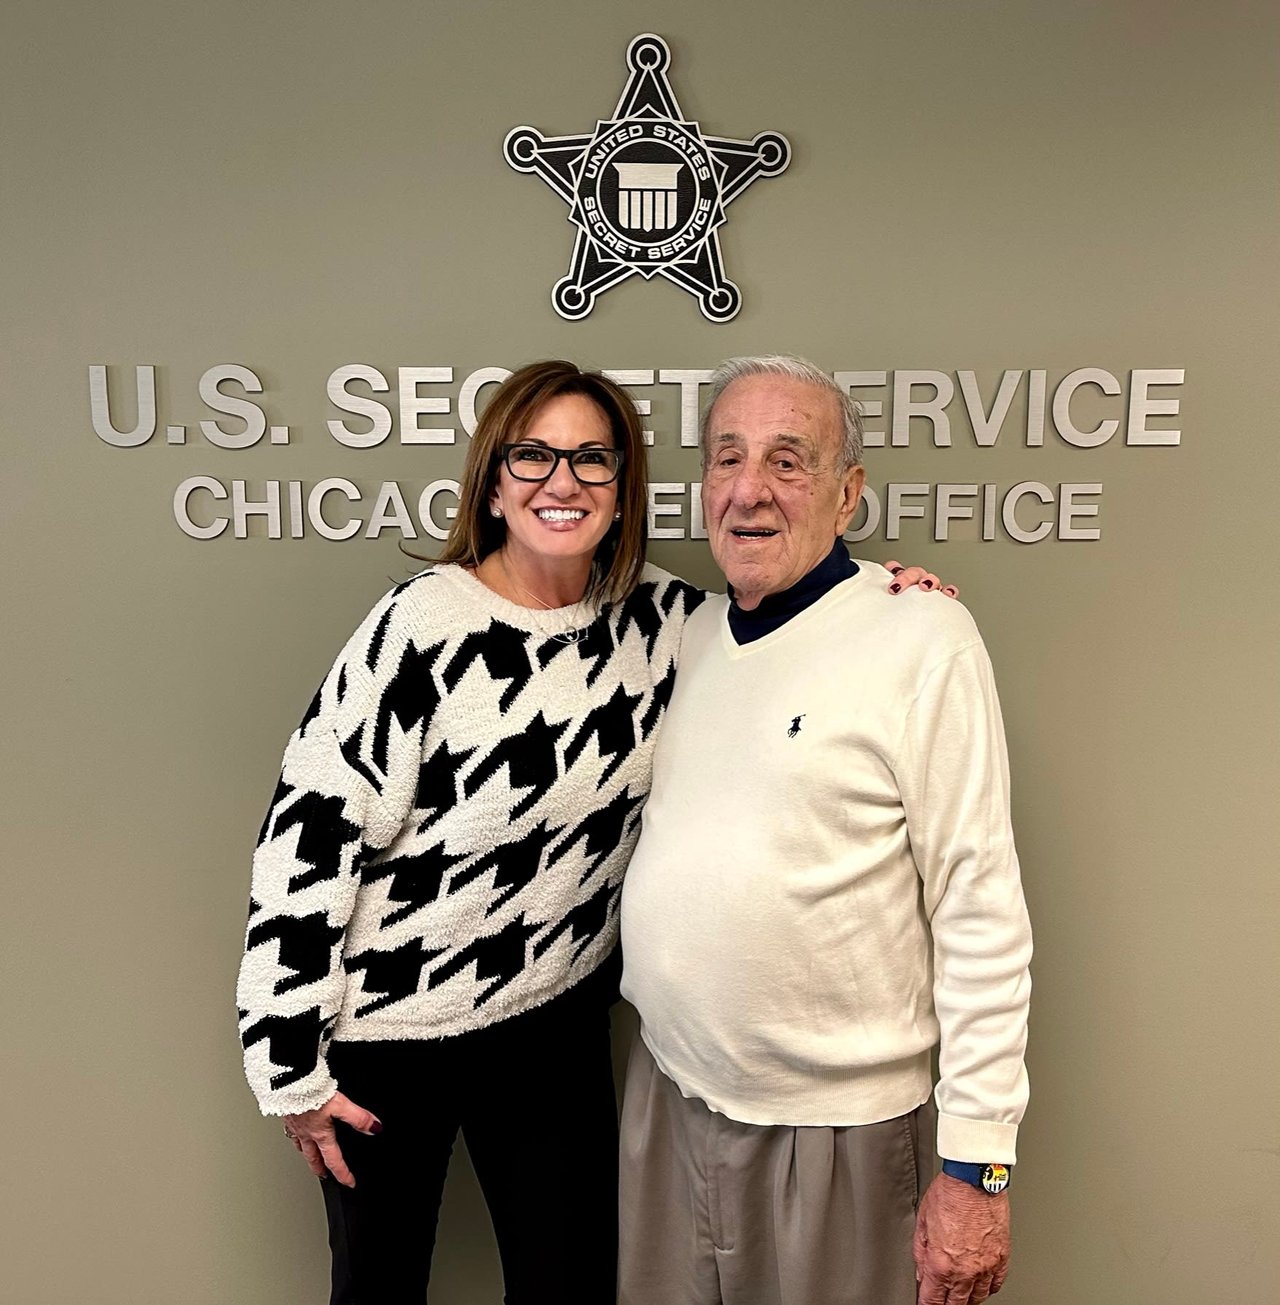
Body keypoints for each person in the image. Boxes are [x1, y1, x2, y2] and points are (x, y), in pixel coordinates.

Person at [235, 358, 948, 1304]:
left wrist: (879, 596)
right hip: (391, 1030)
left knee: (571, 1287)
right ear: (493, 483)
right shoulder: (419, 625)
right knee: (376, 1289)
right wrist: (287, 1061)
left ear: (622, 488)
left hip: (550, 1027)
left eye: (591, 459)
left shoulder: (664, 620)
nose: (561, 481)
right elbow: (309, 833)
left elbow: (780, 623)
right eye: (532, 456)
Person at [618, 355, 1033, 1305]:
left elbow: (979, 908)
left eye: (787, 460)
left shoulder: (922, 639)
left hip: (837, 1135)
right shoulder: (683, 631)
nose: (749, 489)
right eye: (727, 458)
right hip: (669, 1100)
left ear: (848, 494)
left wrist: (979, 1168)